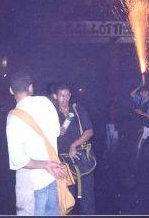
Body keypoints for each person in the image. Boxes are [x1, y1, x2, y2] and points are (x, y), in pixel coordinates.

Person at [6, 72, 68, 216]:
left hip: (32, 187)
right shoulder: (46, 103)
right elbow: (57, 132)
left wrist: (45, 164)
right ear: (31, 87)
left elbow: (18, 161)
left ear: (11, 90)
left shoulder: (14, 117)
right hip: (53, 179)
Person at [55, 83, 96, 214]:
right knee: (67, 203)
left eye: (67, 95)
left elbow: (89, 131)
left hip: (82, 159)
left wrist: (74, 145)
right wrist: (55, 131)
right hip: (64, 164)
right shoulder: (51, 113)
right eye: (62, 95)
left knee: (87, 203)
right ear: (56, 96)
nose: (65, 98)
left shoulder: (77, 110)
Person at [130, 84, 149, 159]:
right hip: (141, 125)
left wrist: (142, 113)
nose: (141, 94)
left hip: (147, 127)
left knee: (139, 145)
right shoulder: (141, 99)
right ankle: (138, 161)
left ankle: (137, 162)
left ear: (147, 92)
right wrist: (140, 86)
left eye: (142, 92)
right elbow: (132, 94)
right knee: (138, 144)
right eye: (140, 92)